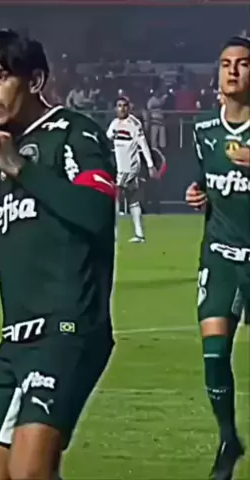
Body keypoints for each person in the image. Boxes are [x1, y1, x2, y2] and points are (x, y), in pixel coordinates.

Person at [0, 29, 116, 480]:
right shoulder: (2, 151)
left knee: (29, 471)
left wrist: (18, 167)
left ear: (35, 80)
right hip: (15, 340)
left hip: (67, 330)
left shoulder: (74, 132)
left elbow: (97, 213)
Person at [185, 35, 250, 480]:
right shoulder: (204, 128)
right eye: (226, 63)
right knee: (214, 352)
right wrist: (198, 194)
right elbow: (203, 179)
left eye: (242, 64)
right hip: (220, 254)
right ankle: (228, 440)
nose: (232, 71)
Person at [107, 96, 158, 242]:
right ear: (115, 108)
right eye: (119, 106)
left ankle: (113, 235)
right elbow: (109, 137)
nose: (122, 108)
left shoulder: (134, 124)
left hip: (129, 167)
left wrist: (150, 165)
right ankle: (139, 234)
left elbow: (143, 145)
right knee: (133, 200)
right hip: (120, 167)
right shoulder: (114, 124)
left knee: (115, 197)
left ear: (129, 108)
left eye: (125, 106)